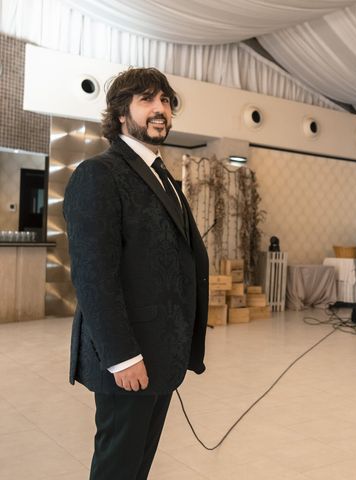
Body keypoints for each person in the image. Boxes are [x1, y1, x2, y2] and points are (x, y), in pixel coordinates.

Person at [64, 67, 209, 480]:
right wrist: (122, 357)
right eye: (147, 99)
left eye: (165, 100)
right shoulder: (101, 174)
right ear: (121, 113)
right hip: (130, 358)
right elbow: (94, 278)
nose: (160, 108)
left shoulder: (163, 177)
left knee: (138, 465)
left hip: (162, 354)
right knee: (117, 466)